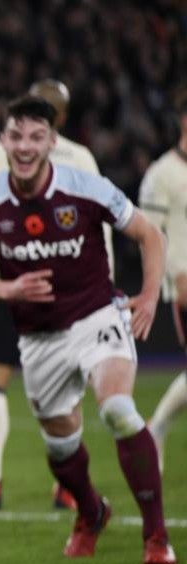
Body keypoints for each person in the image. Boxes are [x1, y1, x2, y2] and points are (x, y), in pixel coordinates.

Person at [0, 95, 174, 564]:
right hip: (39, 338)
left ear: (52, 142)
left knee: (118, 409)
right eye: (16, 136)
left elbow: (149, 235)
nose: (25, 146)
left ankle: (155, 535)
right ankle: (91, 511)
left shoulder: (86, 187)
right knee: (60, 445)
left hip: (97, 316)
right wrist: (9, 287)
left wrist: (149, 293)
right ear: (3, 142)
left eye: (36, 136)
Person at [0, 79, 105, 512]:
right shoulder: (3, 157)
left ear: (60, 120)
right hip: (12, 288)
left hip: (68, 290)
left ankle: (53, 484)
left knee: (53, 382)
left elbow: (99, 223)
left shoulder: (71, 158)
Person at [142, 90, 187, 461]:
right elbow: (150, 234)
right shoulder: (162, 174)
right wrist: (175, 274)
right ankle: (157, 426)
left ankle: (156, 425)